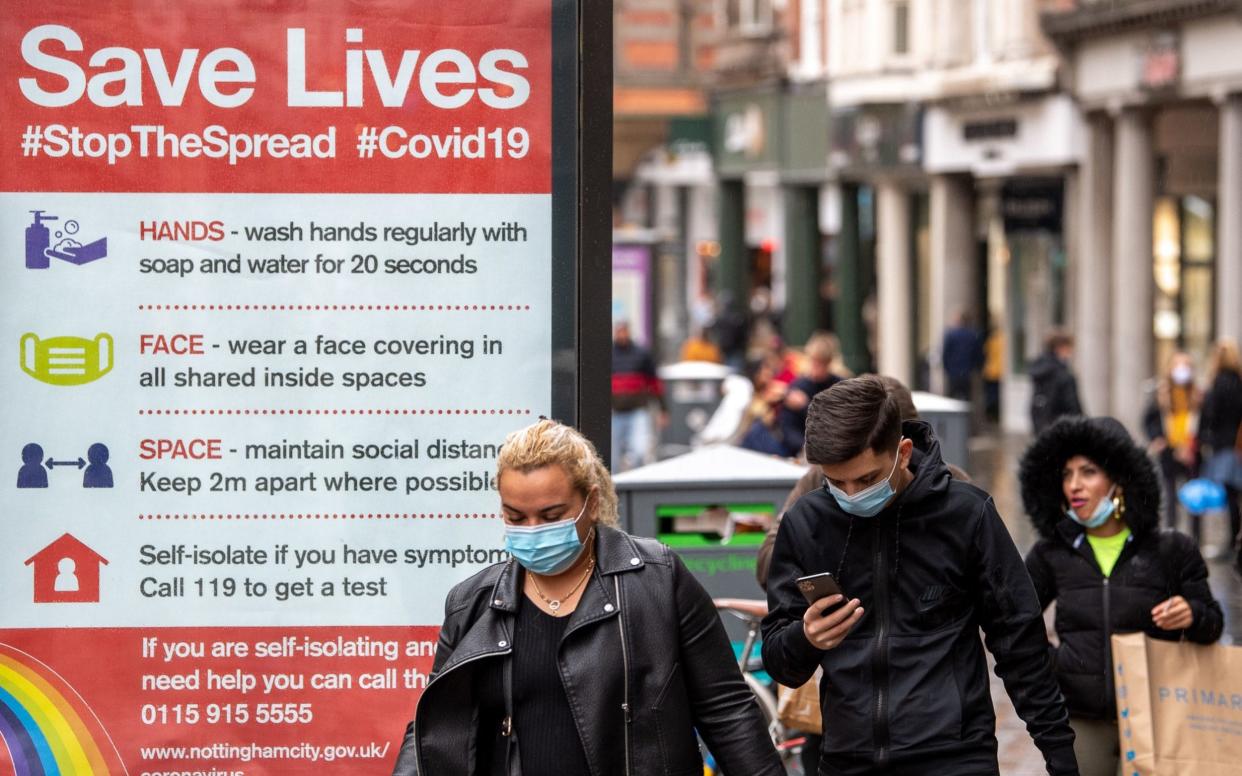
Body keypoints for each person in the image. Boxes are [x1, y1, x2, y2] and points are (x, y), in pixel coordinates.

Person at [391, 419, 784, 776]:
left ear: (591, 503)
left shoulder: (658, 580)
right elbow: (436, 729)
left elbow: (727, 711)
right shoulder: (473, 603)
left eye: (551, 516)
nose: (532, 530)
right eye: (515, 517)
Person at [762, 376, 1079, 776]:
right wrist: (805, 639)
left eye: (866, 479)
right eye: (836, 483)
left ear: (904, 452)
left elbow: (1019, 642)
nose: (852, 494)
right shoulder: (807, 523)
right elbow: (779, 661)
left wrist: (1059, 752)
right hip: (847, 760)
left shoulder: (966, 514)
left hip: (954, 759)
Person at [1019, 415, 1223, 776]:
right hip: (1082, 722)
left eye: (1088, 472)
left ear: (1119, 479)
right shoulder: (1051, 553)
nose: (1074, 485)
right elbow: (1014, 622)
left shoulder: (1171, 550)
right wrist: (1056, 664)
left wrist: (1191, 613)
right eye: (1067, 474)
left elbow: (1212, 624)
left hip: (1160, 721)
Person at [1142, 351, 1200, 536]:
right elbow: (1148, 419)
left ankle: (1196, 537)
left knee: (1195, 497)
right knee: (1170, 495)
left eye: (1185, 365)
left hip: (1191, 451)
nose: (1181, 370)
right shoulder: (1161, 393)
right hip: (1169, 449)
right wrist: (1157, 438)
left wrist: (1195, 445)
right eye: (1177, 365)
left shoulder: (1197, 394)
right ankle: (1171, 533)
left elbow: (1205, 420)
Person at [1199, 338, 1242, 559]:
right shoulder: (1239, 382)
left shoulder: (1217, 385)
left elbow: (1210, 416)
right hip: (1237, 446)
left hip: (1225, 447)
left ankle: (1231, 542)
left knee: (1229, 497)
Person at [610, 320, 666, 472]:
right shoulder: (608, 355)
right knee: (611, 458)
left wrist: (663, 409)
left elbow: (654, 384)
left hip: (638, 412)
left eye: (624, 330)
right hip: (616, 414)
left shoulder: (641, 354)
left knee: (640, 452)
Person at [778, 332, 844, 456]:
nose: (816, 367)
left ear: (829, 362)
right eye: (814, 361)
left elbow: (835, 424)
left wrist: (804, 406)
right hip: (803, 451)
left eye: (821, 363)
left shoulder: (839, 386)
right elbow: (788, 429)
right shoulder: (797, 387)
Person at [1029, 330, 1083, 434]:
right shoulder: (1063, 375)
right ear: (1060, 348)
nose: (1070, 352)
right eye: (1068, 348)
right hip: (1062, 429)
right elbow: (1073, 406)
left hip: (1043, 428)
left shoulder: (1040, 370)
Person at [941, 310, 982, 402]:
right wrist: (976, 368)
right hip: (966, 372)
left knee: (951, 398)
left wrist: (946, 368)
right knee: (967, 398)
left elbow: (946, 353)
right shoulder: (973, 335)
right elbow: (977, 355)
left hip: (953, 372)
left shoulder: (951, 335)